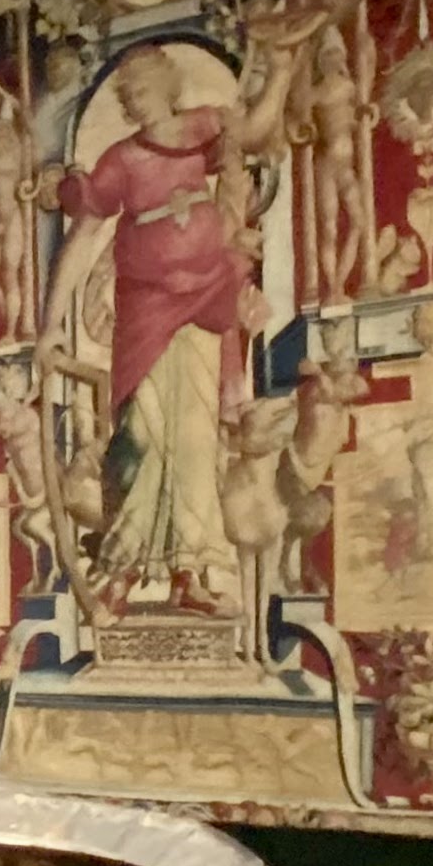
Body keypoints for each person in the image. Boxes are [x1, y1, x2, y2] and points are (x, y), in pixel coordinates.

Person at [42, 42, 277, 617]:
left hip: (204, 301)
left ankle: (188, 572)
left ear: (167, 87)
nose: (136, 100)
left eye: (144, 88)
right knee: (140, 437)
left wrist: (283, 66)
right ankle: (121, 568)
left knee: (194, 438)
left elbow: (257, 137)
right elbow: (82, 238)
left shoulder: (206, 128)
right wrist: (50, 324)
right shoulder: (122, 160)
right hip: (145, 309)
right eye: (128, 94)